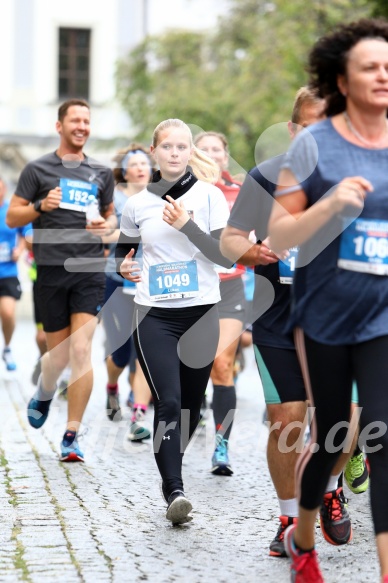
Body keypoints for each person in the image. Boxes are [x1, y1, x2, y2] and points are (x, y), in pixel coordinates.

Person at [221, 87, 368, 559]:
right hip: (278, 318)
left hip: (343, 318)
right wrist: (252, 251)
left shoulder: (363, 175)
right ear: (292, 129)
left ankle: (327, 489)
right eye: (309, 127)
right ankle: (288, 515)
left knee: (342, 425)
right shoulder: (266, 178)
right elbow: (229, 239)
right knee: (287, 419)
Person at [266, 19, 388, 583]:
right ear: (342, 78)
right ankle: (303, 535)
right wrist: (331, 204)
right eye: (370, 66)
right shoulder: (314, 143)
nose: (383, 74)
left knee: (380, 438)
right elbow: (282, 233)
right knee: (333, 432)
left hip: (382, 313)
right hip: (324, 315)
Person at [115, 118, 230, 525]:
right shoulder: (136, 204)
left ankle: (172, 473)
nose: (176, 153)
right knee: (168, 400)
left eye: (183, 146)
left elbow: (225, 256)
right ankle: (174, 489)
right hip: (154, 315)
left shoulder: (212, 196)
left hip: (201, 314)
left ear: (190, 152)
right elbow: (121, 255)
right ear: (154, 152)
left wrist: (186, 225)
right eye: (168, 147)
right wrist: (123, 269)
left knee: (191, 407)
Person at [6, 98, 115, 462]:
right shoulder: (38, 170)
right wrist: (41, 207)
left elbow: (112, 219)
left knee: (82, 351)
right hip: (51, 271)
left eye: (87, 121)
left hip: (89, 271)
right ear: (60, 126)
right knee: (58, 356)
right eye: (75, 120)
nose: (82, 126)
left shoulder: (100, 173)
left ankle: (71, 435)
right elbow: (12, 218)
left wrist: (106, 226)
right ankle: (45, 390)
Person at [194, 131, 246, 476]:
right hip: (193, 288)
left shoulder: (241, 193)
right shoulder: (182, 192)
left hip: (230, 286)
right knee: (195, 367)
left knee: (222, 365)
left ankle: (221, 444)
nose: (212, 155)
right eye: (205, 150)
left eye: (217, 150)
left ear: (226, 157)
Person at [102, 143, 153, 440]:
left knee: (143, 349)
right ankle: (112, 387)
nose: (140, 168)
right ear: (124, 170)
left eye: (145, 163)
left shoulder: (160, 197)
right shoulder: (117, 199)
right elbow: (106, 232)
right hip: (117, 281)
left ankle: (138, 411)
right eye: (134, 164)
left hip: (150, 282)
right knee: (121, 353)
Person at [0, 177, 29, 371]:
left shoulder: (12, 211)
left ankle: (7, 347)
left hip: (8, 271)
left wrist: (20, 249)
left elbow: (26, 234)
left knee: (8, 313)